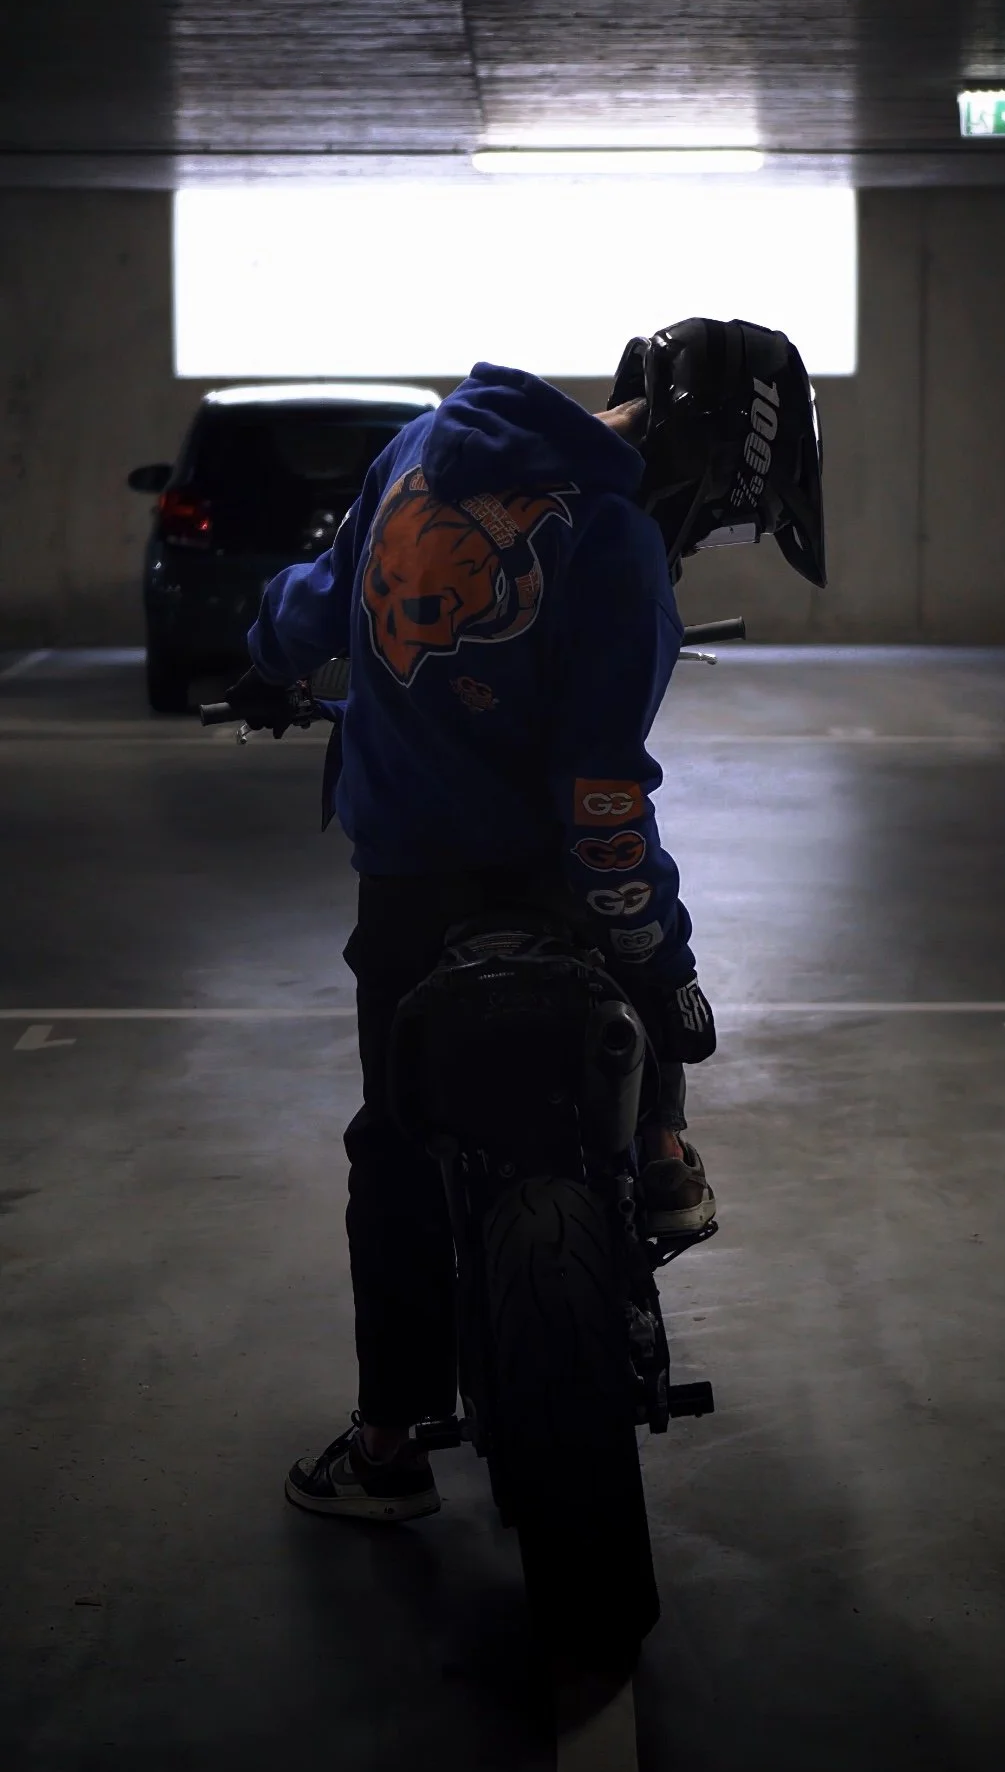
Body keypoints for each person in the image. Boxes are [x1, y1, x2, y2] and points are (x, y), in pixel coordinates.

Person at [224, 317, 826, 1522]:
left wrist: (265, 660)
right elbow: (600, 804)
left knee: (392, 1144)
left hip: (407, 892)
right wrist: (670, 964)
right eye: (717, 513)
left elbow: (319, 599)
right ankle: (656, 1149)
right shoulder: (615, 545)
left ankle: (389, 1443)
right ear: (712, 470)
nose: (701, 534)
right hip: (546, 885)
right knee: (644, 949)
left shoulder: (421, 444)